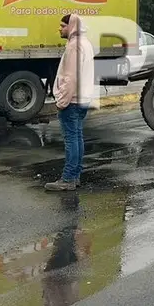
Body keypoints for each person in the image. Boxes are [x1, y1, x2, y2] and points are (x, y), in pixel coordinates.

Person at [45, 13, 96, 191]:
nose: (60, 28)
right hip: (82, 99)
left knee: (71, 139)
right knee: (77, 138)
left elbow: (70, 78)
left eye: (63, 25)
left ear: (72, 26)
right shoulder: (85, 44)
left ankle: (68, 179)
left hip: (72, 100)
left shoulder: (74, 46)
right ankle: (74, 176)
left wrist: (62, 101)